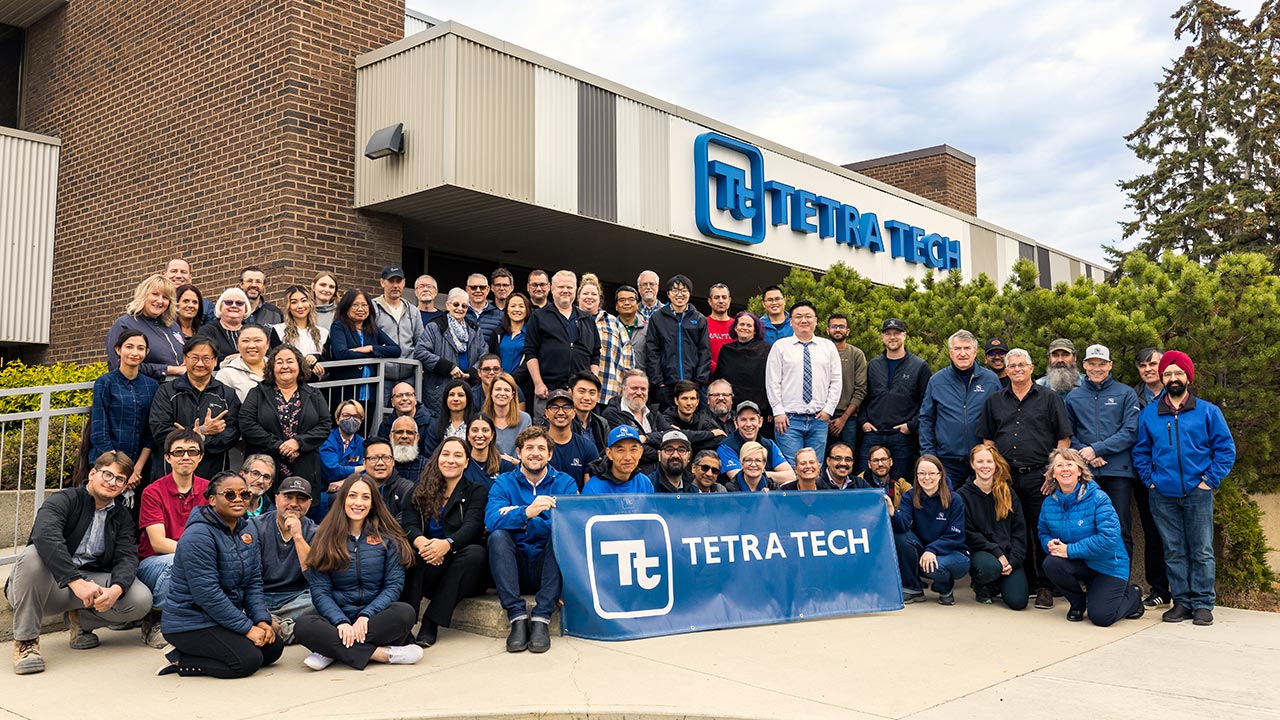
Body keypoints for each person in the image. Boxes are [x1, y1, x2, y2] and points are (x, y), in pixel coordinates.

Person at [6, 452, 152, 675]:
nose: (112, 482)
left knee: (139, 599)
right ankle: (26, 643)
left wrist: (116, 589)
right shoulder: (64, 500)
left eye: (119, 479)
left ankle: (81, 620)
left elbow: (127, 556)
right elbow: (46, 537)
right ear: (93, 473)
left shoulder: (122, 516)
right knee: (33, 555)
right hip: (47, 587)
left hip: (87, 589)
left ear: (124, 486)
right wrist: (75, 580)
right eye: (107, 474)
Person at [1133, 350, 1236, 626]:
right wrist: (1150, 481)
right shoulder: (1149, 415)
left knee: (1201, 549)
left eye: (1178, 373)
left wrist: (1208, 481)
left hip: (1197, 492)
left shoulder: (1207, 411)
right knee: (1173, 549)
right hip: (1162, 494)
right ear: (1163, 378)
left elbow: (1225, 450)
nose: (1173, 378)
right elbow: (1141, 452)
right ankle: (1181, 601)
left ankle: (1203, 603)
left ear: (1188, 377)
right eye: (1168, 373)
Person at [157, 471, 282, 678]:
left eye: (244, 494)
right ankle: (181, 659)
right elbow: (207, 594)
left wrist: (261, 621)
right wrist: (247, 629)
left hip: (219, 619)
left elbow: (253, 583)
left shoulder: (247, 530)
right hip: (190, 622)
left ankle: (217, 648)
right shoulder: (198, 536)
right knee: (247, 661)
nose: (239, 499)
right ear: (213, 500)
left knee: (273, 648)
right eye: (230, 494)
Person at [294, 474, 422, 670]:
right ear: (343, 499)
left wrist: (366, 616)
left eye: (365, 497)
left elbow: (393, 586)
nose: (358, 503)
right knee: (303, 626)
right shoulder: (324, 538)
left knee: (405, 612)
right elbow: (320, 591)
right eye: (352, 496)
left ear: (373, 503)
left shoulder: (389, 538)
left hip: (374, 620)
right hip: (336, 620)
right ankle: (383, 654)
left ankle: (332, 649)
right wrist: (341, 622)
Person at [977, 347, 1072, 610]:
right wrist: (996, 471)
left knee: (1041, 530)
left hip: (1039, 476)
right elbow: (988, 439)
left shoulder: (1050, 399)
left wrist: (1053, 471)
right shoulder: (994, 401)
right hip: (1006, 478)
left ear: (1032, 368)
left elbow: (1063, 439)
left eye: (1022, 365)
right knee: (1009, 531)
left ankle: (1045, 586)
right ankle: (1021, 580)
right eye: (1012, 366)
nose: (1017, 369)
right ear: (1006, 371)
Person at [486, 426, 578, 653]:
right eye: (529, 448)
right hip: (514, 568)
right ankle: (516, 617)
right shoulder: (504, 482)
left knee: (559, 537)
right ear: (519, 453)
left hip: (548, 569)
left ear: (549, 454)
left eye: (540, 448)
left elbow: (570, 526)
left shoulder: (565, 483)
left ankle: (541, 619)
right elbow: (491, 521)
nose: (534, 453)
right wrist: (528, 512)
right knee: (498, 537)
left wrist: (520, 519)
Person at [401, 437, 491, 647]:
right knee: (413, 555)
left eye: (458, 455)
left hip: (463, 571)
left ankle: (431, 622)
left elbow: (473, 527)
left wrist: (446, 545)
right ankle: (404, 624)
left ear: (467, 462)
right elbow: (408, 525)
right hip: (431, 563)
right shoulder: (419, 491)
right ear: (437, 458)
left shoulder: (476, 492)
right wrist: (423, 543)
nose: (451, 460)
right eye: (446, 454)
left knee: (476, 554)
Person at [1039, 448, 1145, 626]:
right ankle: (1078, 604)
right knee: (1051, 563)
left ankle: (1133, 595)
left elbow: (1109, 538)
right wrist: (1049, 543)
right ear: (1053, 474)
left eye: (1070, 464)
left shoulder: (1098, 498)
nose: (1065, 469)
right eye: (1059, 465)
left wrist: (1069, 550)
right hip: (1079, 563)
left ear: (1079, 470)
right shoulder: (1050, 503)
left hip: (1108, 566)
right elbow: (1043, 532)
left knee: (1102, 618)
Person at [1065, 344, 1141, 559]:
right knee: (1087, 528)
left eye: (1101, 364)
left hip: (1118, 473)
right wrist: (1085, 453)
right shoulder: (1073, 396)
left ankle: (1121, 583)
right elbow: (1068, 434)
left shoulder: (1125, 393)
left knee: (1120, 527)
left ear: (1110, 365)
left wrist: (1097, 450)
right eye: (1092, 364)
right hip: (1086, 473)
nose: (1096, 368)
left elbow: (1130, 431)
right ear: (1084, 365)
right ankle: (1095, 583)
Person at [136, 431, 210, 648]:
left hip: (194, 560)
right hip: (155, 564)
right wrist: (196, 554)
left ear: (200, 457)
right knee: (175, 562)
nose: (185, 457)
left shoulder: (209, 490)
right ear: (167, 457)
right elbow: (158, 542)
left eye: (192, 452)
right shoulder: (153, 492)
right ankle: (156, 619)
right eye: (178, 452)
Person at [240, 345, 334, 498]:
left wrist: (298, 443)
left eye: (290, 361)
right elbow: (247, 424)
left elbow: (325, 425)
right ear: (271, 367)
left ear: (299, 365)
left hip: (304, 466)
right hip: (266, 468)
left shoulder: (313, 394)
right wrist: (278, 446)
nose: (285, 366)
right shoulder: (258, 393)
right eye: (279, 362)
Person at [149, 336, 241, 479]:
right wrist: (198, 433)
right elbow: (159, 430)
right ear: (185, 358)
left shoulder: (227, 394)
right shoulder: (167, 391)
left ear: (215, 361)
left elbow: (232, 433)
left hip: (213, 474)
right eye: (194, 358)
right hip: (171, 473)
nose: (200, 364)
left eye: (206, 359)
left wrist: (203, 438)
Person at [917, 330, 1001, 487]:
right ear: (950, 353)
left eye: (967, 348)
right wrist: (929, 456)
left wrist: (995, 456)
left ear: (975, 352)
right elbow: (926, 420)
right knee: (947, 505)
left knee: (980, 508)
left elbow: (1000, 420)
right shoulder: (937, 381)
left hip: (981, 463)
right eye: (957, 349)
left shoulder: (991, 380)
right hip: (947, 461)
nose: (962, 353)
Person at [766, 300, 841, 464]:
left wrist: (829, 410)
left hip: (819, 420)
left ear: (816, 321)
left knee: (815, 468)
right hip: (788, 421)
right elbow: (772, 381)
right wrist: (778, 411)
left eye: (808, 316)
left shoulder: (828, 347)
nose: (803, 320)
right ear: (791, 322)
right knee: (791, 470)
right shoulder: (780, 347)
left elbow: (836, 381)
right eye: (798, 317)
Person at [246, 476, 317, 644]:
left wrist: (298, 537)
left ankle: (274, 628)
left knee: (325, 598)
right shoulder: (254, 526)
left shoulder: (316, 532)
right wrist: (259, 610)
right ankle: (284, 628)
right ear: (276, 498)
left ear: (310, 502)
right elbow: (248, 576)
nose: (294, 503)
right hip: (260, 596)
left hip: (297, 599)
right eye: (288, 497)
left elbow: (315, 578)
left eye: (301, 499)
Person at [956, 445, 1028, 610]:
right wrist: (997, 553)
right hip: (981, 553)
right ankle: (982, 584)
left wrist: (1013, 561)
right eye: (980, 461)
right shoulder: (962, 495)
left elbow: (1019, 531)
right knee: (990, 568)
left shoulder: (1007, 492)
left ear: (995, 465)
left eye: (989, 461)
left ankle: (998, 583)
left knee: (1018, 602)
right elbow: (968, 533)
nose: (985, 465)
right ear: (972, 464)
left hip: (1008, 554)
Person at [858, 317, 931, 478]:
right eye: (888, 333)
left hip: (901, 436)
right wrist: (863, 422)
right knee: (864, 481)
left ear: (904, 336)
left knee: (900, 483)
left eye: (897, 333)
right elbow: (864, 395)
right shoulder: (874, 365)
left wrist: (911, 425)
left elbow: (926, 402)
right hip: (873, 434)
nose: (892, 337)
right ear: (882, 337)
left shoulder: (919, 366)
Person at [891, 455, 969, 605]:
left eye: (932, 473)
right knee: (900, 536)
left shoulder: (955, 499)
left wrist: (932, 550)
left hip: (953, 552)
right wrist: (893, 512)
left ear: (940, 474)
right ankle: (913, 588)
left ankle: (945, 587)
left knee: (933, 567)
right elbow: (903, 526)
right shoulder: (910, 496)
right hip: (924, 550)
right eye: (921, 473)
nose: (926, 477)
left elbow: (955, 535)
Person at [90, 329, 160, 493]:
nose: (135, 352)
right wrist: (119, 471)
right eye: (129, 347)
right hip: (107, 466)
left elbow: (151, 432)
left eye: (140, 348)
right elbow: (99, 430)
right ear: (118, 349)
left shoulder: (152, 385)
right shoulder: (105, 382)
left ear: (147, 352)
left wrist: (136, 470)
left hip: (140, 469)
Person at [525, 270, 601, 415]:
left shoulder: (587, 319)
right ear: (552, 289)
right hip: (548, 390)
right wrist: (538, 383)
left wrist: (593, 382)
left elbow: (595, 354)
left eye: (570, 287)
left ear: (575, 291)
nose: (565, 291)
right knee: (546, 434)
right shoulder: (539, 317)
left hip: (580, 393)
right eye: (561, 287)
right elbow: (531, 352)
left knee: (579, 433)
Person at [1130, 347, 1170, 608]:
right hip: (1145, 477)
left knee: (1178, 536)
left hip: (1175, 475)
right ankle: (1159, 589)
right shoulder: (1131, 397)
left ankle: (1185, 590)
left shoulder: (1178, 393)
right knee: (1153, 534)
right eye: (1143, 365)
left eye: (1153, 364)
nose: (1148, 369)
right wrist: (1147, 476)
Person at [645, 274, 711, 410]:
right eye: (675, 290)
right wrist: (658, 382)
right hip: (666, 385)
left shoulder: (699, 319)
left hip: (692, 385)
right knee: (666, 424)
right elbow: (652, 351)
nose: (679, 294)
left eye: (684, 290)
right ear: (668, 294)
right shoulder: (657, 318)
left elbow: (704, 351)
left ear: (689, 293)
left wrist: (699, 381)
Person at [106, 274, 186, 381]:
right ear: (144, 295)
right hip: (144, 392)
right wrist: (170, 369)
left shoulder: (173, 326)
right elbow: (119, 366)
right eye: (155, 294)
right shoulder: (125, 324)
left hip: (177, 391)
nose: (160, 301)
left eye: (165, 297)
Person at [417, 288, 486, 411]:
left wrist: (471, 372)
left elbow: (484, 354)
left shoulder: (474, 329)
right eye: (456, 304)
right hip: (440, 388)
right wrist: (448, 367)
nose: (460, 308)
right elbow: (420, 352)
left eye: (464, 306)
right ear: (447, 305)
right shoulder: (434, 327)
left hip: (468, 387)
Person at [329, 288, 401, 404]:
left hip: (369, 392)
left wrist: (371, 348)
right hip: (346, 391)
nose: (361, 309)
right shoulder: (339, 326)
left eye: (364, 305)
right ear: (346, 307)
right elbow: (341, 353)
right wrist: (373, 356)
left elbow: (396, 350)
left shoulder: (372, 329)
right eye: (355, 305)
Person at [600, 371, 670, 476]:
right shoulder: (612, 414)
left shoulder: (653, 412)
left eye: (643, 389)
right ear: (622, 390)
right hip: (630, 478)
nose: (639, 392)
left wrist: (647, 438)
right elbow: (626, 450)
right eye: (634, 388)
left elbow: (671, 436)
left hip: (659, 476)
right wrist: (664, 453)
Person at [579, 273, 632, 406]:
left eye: (594, 294)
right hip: (576, 394)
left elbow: (628, 359)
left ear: (600, 298)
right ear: (578, 297)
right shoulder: (571, 320)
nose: (589, 297)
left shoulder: (614, 323)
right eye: (585, 294)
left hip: (607, 393)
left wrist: (624, 388)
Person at [372, 266, 424, 401]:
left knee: (406, 417)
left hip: (409, 377)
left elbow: (420, 342)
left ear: (404, 283)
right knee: (378, 417)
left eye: (398, 281)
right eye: (391, 281)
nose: (395, 285)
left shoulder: (413, 311)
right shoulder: (372, 307)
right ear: (382, 282)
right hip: (381, 375)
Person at [712, 312, 772, 427]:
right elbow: (718, 379)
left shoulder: (765, 349)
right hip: (731, 408)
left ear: (755, 330)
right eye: (742, 324)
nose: (745, 328)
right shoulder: (726, 350)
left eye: (749, 325)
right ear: (735, 328)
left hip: (759, 408)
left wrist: (770, 409)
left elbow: (772, 380)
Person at [825, 313, 868, 450]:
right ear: (827, 330)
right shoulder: (820, 352)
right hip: (821, 417)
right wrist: (825, 416)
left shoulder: (856, 354)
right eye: (834, 326)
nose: (837, 329)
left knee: (847, 458)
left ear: (848, 331)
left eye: (841, 326)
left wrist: (843, 418)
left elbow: (861, 389)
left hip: (848, 418)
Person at [318, 400, 366, 518]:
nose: (351, 419)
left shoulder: (362, 443)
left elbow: (367, 473)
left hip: (350, 490)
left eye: (356, 416)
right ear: (337, 419)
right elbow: (332, 471)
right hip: (324, 493)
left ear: (361, 420)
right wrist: (360, 468)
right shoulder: (327, 439)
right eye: (346, 415)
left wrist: (344, 482)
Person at [545, 389, 601, 489]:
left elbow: (590, 491)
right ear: (546, 413)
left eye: (566, 407)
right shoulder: (538, 447)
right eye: (554, 407)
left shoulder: (587, 447)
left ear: (574, 412)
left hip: (576, 503)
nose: (561, 412)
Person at [273, 285, 329, 378]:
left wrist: (316, 358)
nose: (300, 306)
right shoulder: (279, 330)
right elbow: (275, 360)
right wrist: (306, 362)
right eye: (294, 302)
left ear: (310, 304)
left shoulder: (323, 333)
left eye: (304, 301)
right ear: (288, 307)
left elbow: (328, 364)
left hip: (315, 387)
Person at [583, 426, 655, 495]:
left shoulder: (644, 483)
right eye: (621, 450)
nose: (628, 457)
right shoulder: (594, 488)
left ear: (640, 452)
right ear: (609, 453)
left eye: (633, 450)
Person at [662, 379, 728, 454]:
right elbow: (674, 435)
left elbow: (721, 438)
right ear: (676, 401)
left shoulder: (702, 418)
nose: (689, 403)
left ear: (697, 402)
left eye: (692, 399)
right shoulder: (665, 418)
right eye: (685, 398)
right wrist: (711, 434)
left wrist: (689, 443)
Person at [197, 287, 259, 363]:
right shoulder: (207, 331)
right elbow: (208, 357)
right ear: (220, 306)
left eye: (239, 303)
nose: (234, 306)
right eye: (228, 302)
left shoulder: (254, 331)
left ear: (245, 308)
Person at [213, 323, 271, 401]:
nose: (251, 346)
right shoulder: (226, 374)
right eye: (245, 341)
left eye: (258, 340)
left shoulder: (278, 368)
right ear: (237, 345)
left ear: (267, 344)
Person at [489, 291, 530, 395]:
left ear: (527, 310)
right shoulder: (498, 333)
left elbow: (530, 361)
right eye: (513, 306)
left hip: (522, 387)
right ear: (507, 310)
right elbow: (491, 357)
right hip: (498, 386)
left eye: (521, 306)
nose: (517, 309)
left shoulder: (531, 334)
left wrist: (510, 380)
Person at [424, 379, 476, 457]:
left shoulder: (475, 424)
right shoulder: (435, 426)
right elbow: (430, 455)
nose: (455, 399)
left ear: (467, 399)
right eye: (451, 395)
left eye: (461, 395)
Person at [485, 372, 531, 458]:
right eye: (498, 389)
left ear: (512, 395)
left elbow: (528, 451)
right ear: (491, 393)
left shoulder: (525, 419)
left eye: (506, 390)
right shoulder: (482, 419)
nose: (502, 393)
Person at [378, 382, 433, 453]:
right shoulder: (385, 426)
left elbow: (431, 457)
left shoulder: (431, 423)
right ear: (392, 402)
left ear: (415, 400)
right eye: (399, 396)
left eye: (408, 395)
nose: (404, 398)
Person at [464, 414, 515, 487]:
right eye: (475, 430)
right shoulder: (462, 465)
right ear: (468, 435)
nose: (479, 435)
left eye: (485, 430)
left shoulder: (505, 466)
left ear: (492, 435)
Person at [569, 371, 610, 452]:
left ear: (598, 396)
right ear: (570, 392)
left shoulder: (602, 424)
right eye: (581, 391)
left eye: (592, 393)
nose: (587, 397)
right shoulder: (562, 422)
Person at [706, 283, 734, 372]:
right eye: (716, 297)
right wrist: (718, 370)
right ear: (710, 301)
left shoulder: (738, 325)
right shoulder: (702, 323)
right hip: (707, 380)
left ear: (729, 300)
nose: (721, 301)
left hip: (733, 378)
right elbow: (699, 352)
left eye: (724, 297)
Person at [390, 416, 428, 483]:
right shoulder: (383, 464)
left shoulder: (427, 467)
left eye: (409, 433)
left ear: (417, 438)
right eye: (399, 432)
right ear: (391, 436)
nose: (404, 436)